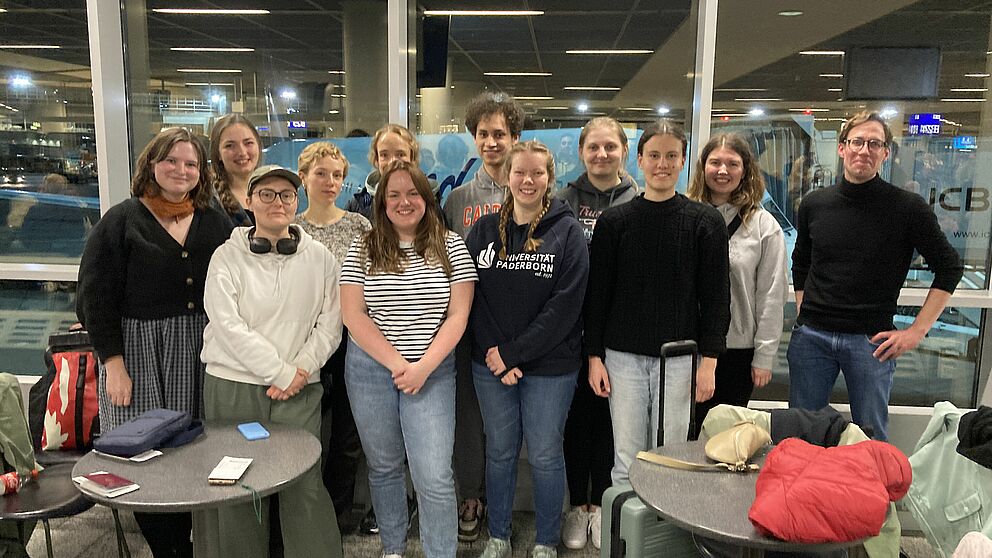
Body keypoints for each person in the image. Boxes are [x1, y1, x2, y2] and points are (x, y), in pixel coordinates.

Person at [76, 127, 231, 558]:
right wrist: (113, 364)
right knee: (141, 453)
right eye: (172, 161)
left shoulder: (215, 221)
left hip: (198, 350)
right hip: (136, 352)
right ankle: (169, 549)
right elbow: (94, 298)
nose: (181, 170)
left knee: (190, 449)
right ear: (151, 164)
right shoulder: (121, 220)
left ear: (202, 173)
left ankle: (192, 539)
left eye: (191, 164)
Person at [789, 111, 963, 441]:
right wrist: (804, 312)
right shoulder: (814, 204)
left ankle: (874, 493)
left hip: (871, 343)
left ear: (885, 153)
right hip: (812, 338)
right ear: (842, 148)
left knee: (871, 440)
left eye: (874, 143)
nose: (864, 150)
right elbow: (801, 263)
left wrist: (916, 332)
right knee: (801, 434)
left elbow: (950, 267)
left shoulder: (907, 208)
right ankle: (802, 493)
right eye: (857, 142)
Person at [199, 164, 343, 558]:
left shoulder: (322, 259)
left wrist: (299, 371)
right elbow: (228, 326)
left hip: (300, 388)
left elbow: (331, 325)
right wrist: (281, 371)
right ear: (248, 201)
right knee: (237, 484)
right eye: (267, 194)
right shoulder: (225, 258)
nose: (277, 202)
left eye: (286, 195)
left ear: (297, 203)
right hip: (234, 387)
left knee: (304, 484)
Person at [341, 160, 476, 558]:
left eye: (412, 193)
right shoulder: (363, 246)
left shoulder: (451, 245)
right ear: (381, 203)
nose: (404, 202)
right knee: (383, 468)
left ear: (427, 199)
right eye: (394, 195)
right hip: (369, 369)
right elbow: (353, 315)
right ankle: (393, 549)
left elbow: (458, 315)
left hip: (432, 370)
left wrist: (422, 367)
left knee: (433, 475)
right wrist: (399, 365)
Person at [584, 120, 730, 485]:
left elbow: (716, 298)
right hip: (622, 358)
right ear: (638, 160)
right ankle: (626, 536)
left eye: (670, 155)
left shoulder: (705, 222)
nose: (662, 163)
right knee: (626, 457)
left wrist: (709, 362)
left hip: (679, 359)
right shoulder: (615, 222)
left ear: (683, 162)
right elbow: (597, 295)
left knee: (671, 456)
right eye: (654, 155)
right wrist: (594, 357)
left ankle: (663, 536)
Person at [465, 140, 588, 558]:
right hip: (491, 363)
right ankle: (498, 534)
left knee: (545, 453)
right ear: (507, 177)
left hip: (550, 366)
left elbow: (565, 306)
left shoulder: (567, 232)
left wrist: (514, 353)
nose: (528, 180)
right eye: (520, 172)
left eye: (537, 173)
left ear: (549, 179)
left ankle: (546, 540)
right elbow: (470, 299)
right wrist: (497, 355)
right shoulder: (483, 230)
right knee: (499, 452)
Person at [441, 91, 525, 542]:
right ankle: (470, 495)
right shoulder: (458, 199)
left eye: (500, 134)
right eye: (483, 134)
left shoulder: (532, 192)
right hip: (466, 325)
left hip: (518, 329)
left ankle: (501, 500)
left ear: (515, 137)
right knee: (468, 419)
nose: (492, 142)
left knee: (507, 424)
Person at [557, 117, 638, 551]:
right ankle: (579, 506)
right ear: (583, 152)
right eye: (594, 147)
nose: (602, 154)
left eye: (611, 147)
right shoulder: (563, 201)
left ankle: (604, 506)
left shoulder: (640, 200)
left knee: (610, 423)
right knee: (575, 421)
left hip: (619, 332)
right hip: (570, 331)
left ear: (624, 151)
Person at [293, 142, 372, 533]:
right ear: (303, 175)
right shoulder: (291, 228)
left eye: (337, 175)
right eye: (320, 173)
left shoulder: (359, 226)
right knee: (301, 432)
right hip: (301, 345)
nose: (330, 182)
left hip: (351, 344)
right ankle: (300, 513)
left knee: (346, 436)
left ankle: (337, 515)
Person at [687, 133, 788, 429]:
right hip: (686, 347)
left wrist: (764, 355)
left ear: (745, 170)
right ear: (702, 167)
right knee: (682, 436)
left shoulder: (763, 226)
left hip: (737, 352)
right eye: (715, 162)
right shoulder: (686, 216)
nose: (722, 171)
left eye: (732, 164)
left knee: (723, 439)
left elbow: (771, 294)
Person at [346, 124, 437, 222]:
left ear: (412, 159)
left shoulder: (430, 202)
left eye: (400, 154)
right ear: (376, 160)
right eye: (384, 155)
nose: (392, 161)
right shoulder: (358, 205)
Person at [209, 114, 262, 227]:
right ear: (218, 153)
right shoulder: (209, 200)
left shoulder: (275, 190)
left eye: (248, 143)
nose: (242, 152)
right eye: (230, 146)